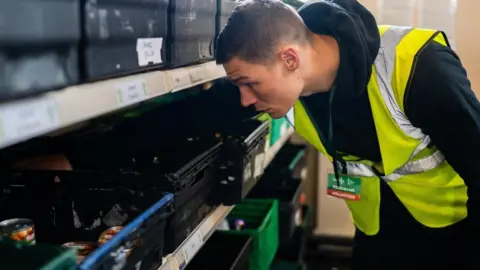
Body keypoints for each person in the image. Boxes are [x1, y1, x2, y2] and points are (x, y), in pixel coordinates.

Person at [215, 0, 480, 269]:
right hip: (374, 236)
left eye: (249, 83)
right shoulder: (291, 91)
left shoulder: (417, 66)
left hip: (451, 236)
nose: (245, 99)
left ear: (290, 59)